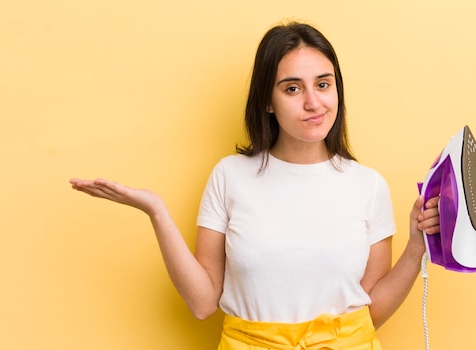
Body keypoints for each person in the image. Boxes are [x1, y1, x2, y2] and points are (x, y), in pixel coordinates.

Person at [70, 21, 440, 350]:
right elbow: (202, 304)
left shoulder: (368, 186)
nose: (314, 103)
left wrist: (414, 247)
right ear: (267, 101)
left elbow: (370, 314)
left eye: (323, 85)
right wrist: (156, 211)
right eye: (293, 89)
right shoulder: (230, 177)